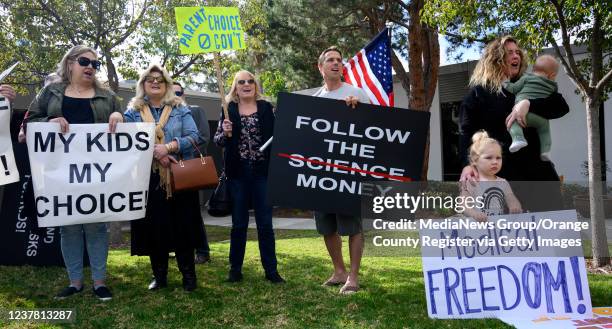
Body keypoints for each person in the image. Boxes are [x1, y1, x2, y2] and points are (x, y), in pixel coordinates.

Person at [25, 45, 123, 301]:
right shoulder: (50, 92)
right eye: (84, 61)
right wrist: (48, 122)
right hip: (60, 174)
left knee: (96, 227)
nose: (90, 66)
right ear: (69, 64)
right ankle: (75, 282)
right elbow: (29, 123)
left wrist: (117, 115)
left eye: (95, 64)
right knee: (68, 229)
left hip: (97, 171)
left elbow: (122, 124)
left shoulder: (108, 95)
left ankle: (99, 283)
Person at [459, 36, 569, 212]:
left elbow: (561, 107)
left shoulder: (529, 83)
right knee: (507, 235)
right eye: (509, 52)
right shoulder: (479, 94)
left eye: (518, 52)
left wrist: (529, 104)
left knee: (551, 232)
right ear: (496, 58)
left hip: (538, 175)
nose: (516, 56)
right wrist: (467, 165)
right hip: (502, 176)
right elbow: (466, 132)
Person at [125, 64, 205, 292]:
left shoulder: (180, 108)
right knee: (154, 228)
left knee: (183, 227)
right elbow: (130, 141)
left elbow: (194, 136)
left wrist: (168, 148)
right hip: (149, 179)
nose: (155, 82)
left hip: (180, 177)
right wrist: (157, 154)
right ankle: (159, 277)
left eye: (160, 79)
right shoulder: (132, 111)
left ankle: (189, 276)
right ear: (142, 84)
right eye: (150, 78)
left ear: (167, 84)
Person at [214, 70, 284, 284]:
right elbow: (218, 141)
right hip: (238, 173)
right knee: (239, 225)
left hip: (262, 172)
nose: (246, 84)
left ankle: (271, 271)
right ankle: (235, 270)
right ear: (235, 87)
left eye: (250, 81)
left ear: (255, 85)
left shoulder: (266, 108)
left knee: (265, 224)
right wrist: (225, 132)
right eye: (241, 81)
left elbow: (280, 134)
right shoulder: (228, 109)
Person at [313, 46, 369, 295]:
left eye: (339, 60)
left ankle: (353, 278)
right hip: (321, 173)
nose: (336, 63)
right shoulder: (314, 100)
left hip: (348, 172)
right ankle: (339, 271)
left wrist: (361, 112)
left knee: (352, 226)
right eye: (330, 60)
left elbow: (375, 129)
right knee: (327, 226)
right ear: (321, 67)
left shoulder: (356, 94)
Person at [172, 81, 212, 264]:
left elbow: (203, 137)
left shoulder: (195, 111)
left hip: (189, 169)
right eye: (171, 94)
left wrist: (183, 154)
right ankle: (177, 248)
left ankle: (202, 251)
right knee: (172, 212)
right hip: (168, 169)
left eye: (178, 93)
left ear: (184, 94)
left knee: (193, 212)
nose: (175, 97)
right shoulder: (163, 115)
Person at [505, 54, 560, 160]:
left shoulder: (527, 78)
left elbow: (513, 89)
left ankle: (518, 139)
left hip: (523, 115)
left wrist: (506, 83)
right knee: (545, 131)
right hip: (541, 118)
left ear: (534, 68)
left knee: (511, 121)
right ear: (552, 75)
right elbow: (554, 101)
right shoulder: (553, 86)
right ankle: (546, 151)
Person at [461, 131, 522, 222]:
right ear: (474, 160)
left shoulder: (502, 182)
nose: (495, 162)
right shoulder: (471, 182)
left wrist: (515, 206)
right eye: (489, 158)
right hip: (475, 229)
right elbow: (463, 205)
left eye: (498, 158)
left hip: (496, 229)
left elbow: (510, 197)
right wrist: (474, 213)